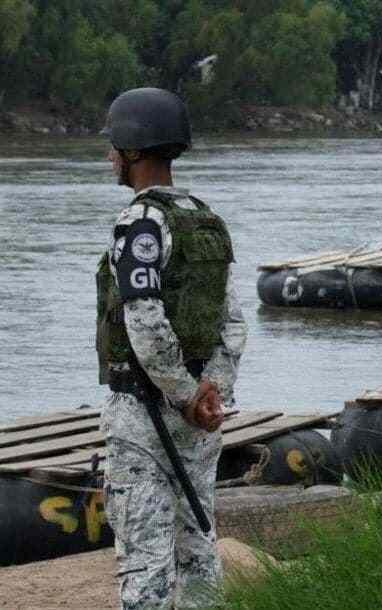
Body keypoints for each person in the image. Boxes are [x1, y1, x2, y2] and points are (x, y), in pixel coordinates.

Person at [97, 87, 247, 610]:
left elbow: (144, 321)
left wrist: (184, 394)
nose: (110, 157)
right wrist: (213, 395)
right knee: (199, 546)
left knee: (144, 557)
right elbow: (233, 323)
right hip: (204, 418)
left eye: (115, 147)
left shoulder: (139, 222)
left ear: (135, 152)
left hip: (144, 414)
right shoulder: (207, 219)